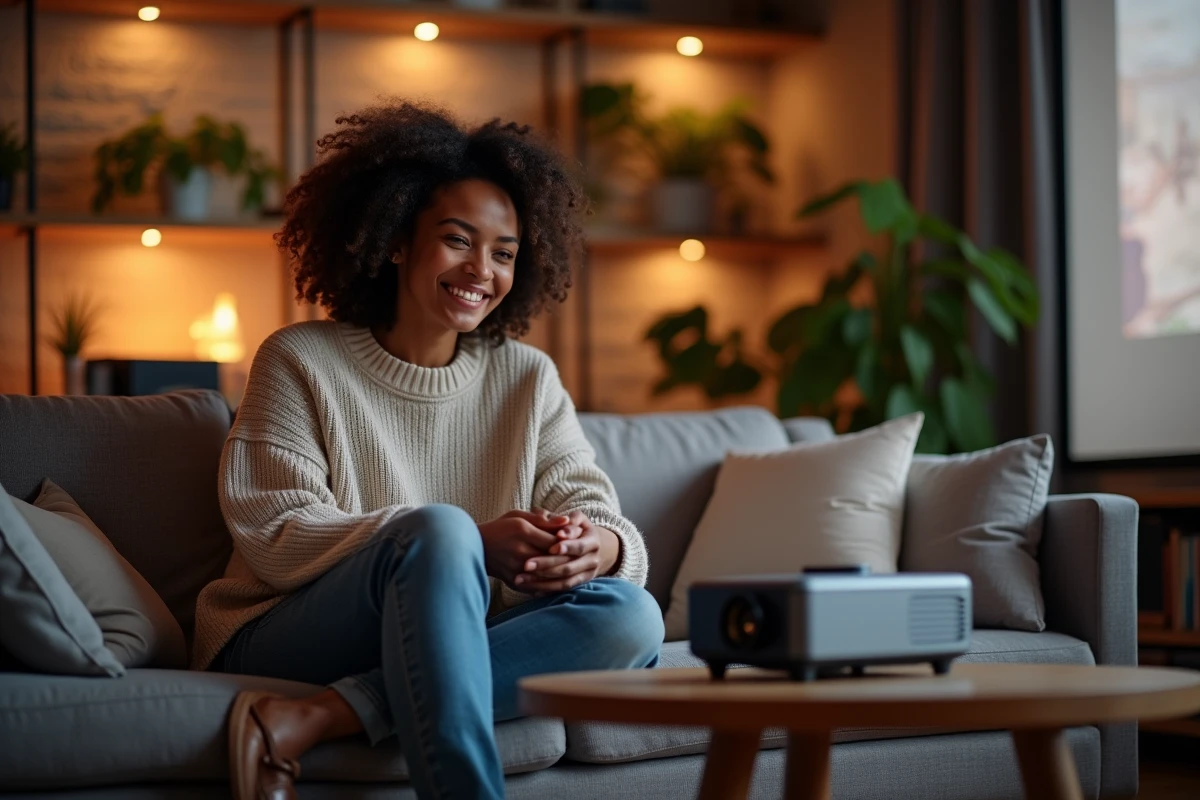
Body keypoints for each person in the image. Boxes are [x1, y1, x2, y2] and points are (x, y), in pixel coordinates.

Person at [192, 101, 663, 800]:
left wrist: (599, 546)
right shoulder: (299, 359)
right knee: (440, 531)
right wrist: (466, 543)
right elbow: (276, 534)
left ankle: (322, 715)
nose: (481, 269)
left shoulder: (527, 377)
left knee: (631, 616)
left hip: (443, 634)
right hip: (289, 628)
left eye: (504, 253)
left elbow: (591, 505)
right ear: (394, 241)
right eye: (457, 240)